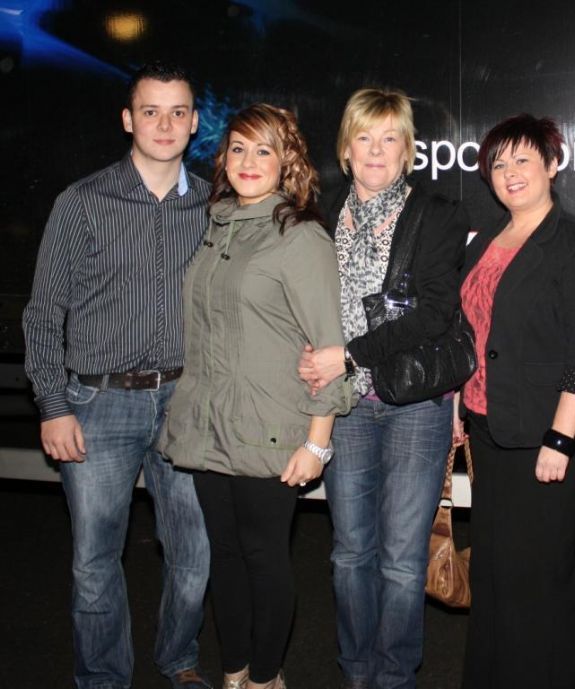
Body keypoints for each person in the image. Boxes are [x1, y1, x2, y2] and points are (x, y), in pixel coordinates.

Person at [22, 62, 212, 689]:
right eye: (151, 111)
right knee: (95, 559)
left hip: (185, 401)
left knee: (194, 553)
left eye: (178, 112)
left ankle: (179, 660)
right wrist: (53, 406)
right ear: (128, 119)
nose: (165, 124)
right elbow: (43, 313)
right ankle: (103, 678)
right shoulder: (81, 203)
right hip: (98, 403)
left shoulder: (214, 205)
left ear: (194, 122)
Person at [158, 103, 352, 689]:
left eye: (263, 150)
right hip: (208, 426)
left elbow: (328, 346)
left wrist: (317, 444)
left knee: (265, 559)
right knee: (225, 557)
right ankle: (234, 672)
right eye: (238, 149)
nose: (248, 161)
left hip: (271, 430)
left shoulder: (300, 236)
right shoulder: (217, 225)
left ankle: (267, 679)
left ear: (286, 161)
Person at [297, 88, 469, 689]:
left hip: (414, 405)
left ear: (407, 150)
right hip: (342, 408)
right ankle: (356, 671)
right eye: (364, 137)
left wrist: (348, 354)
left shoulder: (438, 214)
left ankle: (394, 676)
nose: (376, 150)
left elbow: (436, 313)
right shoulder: (318, 213)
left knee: (401, 558)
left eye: (389, 137)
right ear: (345, 149)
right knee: (350, 554)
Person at [456, 114, 575, 689]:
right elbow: (472, 337)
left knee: (538, 581)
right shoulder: (486, 241)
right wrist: (459, 407)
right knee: (494, 574)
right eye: (499, 163)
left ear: (552, 164)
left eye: (523, 159)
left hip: (547, 440)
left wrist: (560, 438)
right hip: (491, 430)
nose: (510, 172)